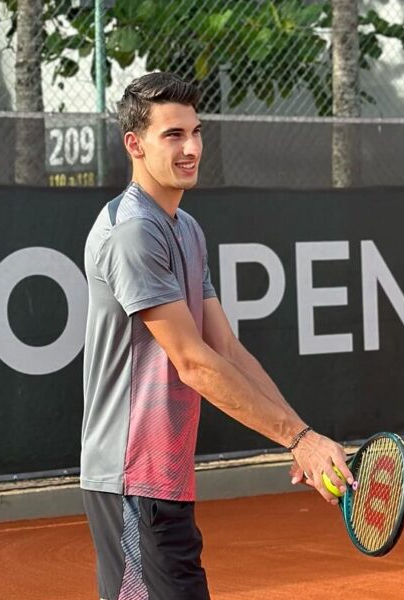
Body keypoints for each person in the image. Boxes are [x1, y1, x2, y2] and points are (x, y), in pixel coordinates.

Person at [80, 72, 353, 600]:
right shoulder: (133, 233)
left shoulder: (184, 228)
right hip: (131, 477)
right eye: (173, 135)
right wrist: (298, 439)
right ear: (133, 144)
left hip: (164, 478)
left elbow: (225, 348)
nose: (191, 148)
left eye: (196, 132)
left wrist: (301, 438)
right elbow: (193, 362)